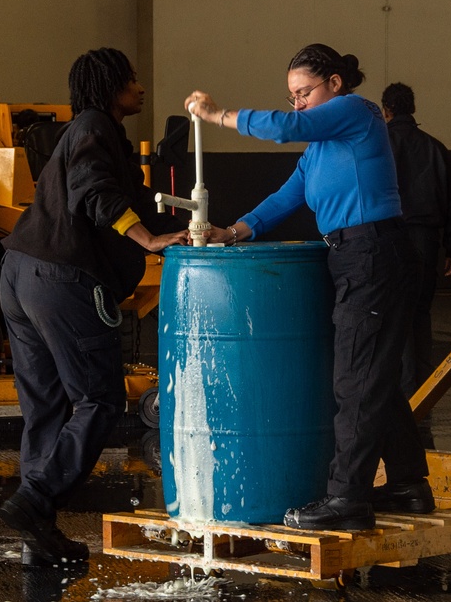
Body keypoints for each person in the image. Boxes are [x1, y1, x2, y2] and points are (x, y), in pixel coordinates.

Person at [184, 43, 434, 531]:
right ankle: (408, 485)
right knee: (371, 377)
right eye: (291, 96)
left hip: (373, 254)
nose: (297, 104)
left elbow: (286, 128)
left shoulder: (356, 113)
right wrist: (232, 232)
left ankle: (347, 499)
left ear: (335, 84)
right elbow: (287, 196)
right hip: (352, 257)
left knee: (355, 382)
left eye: (304, 93)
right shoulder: (321, 149)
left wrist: (217, 115)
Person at [0, 48, 189, 564]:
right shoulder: (93, 127)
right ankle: (36, 500)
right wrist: (148, 238)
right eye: (131, 80)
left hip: (21, 274)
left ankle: (36, 534)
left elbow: (121, 189)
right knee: (99, 401)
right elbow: (94, 194)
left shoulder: (91, 132)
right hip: (61, 279)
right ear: (110, 87)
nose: (141, 88)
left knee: (46, 408)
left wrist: (176, 217)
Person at [381, 82, 451, 448]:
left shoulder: (378, 145)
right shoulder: (434, 148)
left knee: (390, 315)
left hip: (386, 237)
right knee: (420, 315)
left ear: (386, 109)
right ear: (411, 108)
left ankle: (394, 393)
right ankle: (419, 393)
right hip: (425, 242)